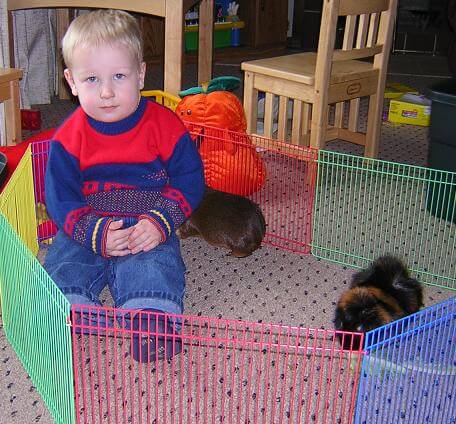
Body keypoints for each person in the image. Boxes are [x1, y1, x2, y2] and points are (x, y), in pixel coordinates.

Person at [43, 9, 205, 362]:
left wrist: (161, 222)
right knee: (64, 262)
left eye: (119, 76)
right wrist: (89, 230)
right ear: (71, 82)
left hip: (145, 223)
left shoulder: (165, 125)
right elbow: (59, 196)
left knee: (154, 266)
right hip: (88, 223)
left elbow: (190, 178)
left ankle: (151, 319)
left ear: (141, 74)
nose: (106, 92)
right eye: (91, 80)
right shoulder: (67, 137)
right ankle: (68, 310)